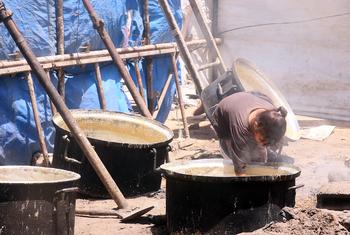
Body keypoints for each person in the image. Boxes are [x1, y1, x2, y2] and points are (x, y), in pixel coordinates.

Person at [212, 91, 287, 174]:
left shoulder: (272, 114)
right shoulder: (239, 127)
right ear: (256, 125)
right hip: (224, 119)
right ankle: (227, 153)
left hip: (246, 100)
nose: (264, 143)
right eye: (262, 140)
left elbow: (276, 136)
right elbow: (239, 168)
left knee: (258, 149)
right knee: (232, 154)